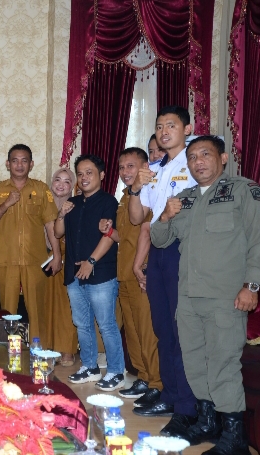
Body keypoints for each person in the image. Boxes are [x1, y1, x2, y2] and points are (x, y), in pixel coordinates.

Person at [150, 135, 257, 455]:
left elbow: (258, 240)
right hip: (188, 298)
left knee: (223, 364)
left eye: (205, 155)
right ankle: (208, 422)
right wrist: (165, 216)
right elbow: (160, 239)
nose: (198, 162)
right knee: (195, 363)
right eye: (193, 157)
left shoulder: (243, 191)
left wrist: (251, 286)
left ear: (222, 158)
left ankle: (235, 440)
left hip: (225, 297)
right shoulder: (185, 199)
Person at [128, 106, 198, 437]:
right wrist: (135, 187)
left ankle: (187, 407)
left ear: (188, 128)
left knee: (181, 328)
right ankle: (170, 396)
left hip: (182, 249)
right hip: (158, 248)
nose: (164, 131)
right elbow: (137, 217)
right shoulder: (153, 169)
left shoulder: (195, 162)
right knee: (162, 328)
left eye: (171, 125)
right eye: (159, 126)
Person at [54, 154, 125, 391]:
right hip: (74, 274)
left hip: (100, 273)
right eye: (80, 174)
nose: (84, 177)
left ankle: (116, 371)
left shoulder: (109, 202)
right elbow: (58, 232)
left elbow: (110, 236)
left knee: (106, 324)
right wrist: (61, 213)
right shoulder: (73, 203)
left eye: (89, 172)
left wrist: (91, 261)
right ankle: (90, 366)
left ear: (102, 175)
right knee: (82, 323)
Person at [0, 144, 60, 347]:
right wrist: (6, 204)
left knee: (37, 310)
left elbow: (50, 224)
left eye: (24, 160)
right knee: (7, 312)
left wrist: (57, 254)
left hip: (34, 261)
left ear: (31, 164)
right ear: (7, 164)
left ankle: (38, 352)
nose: (19, 165)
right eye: (15, 161)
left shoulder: (41, 189)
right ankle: (6, 352)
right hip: (6, 260)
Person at [102, 148, 161, 403]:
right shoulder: (125, 196)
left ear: (145, 167)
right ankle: (143, 377)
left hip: (141, 273)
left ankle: (157, 383)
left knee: (147, 331)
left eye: (131, 166)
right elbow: (125, 237)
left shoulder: (151, 192)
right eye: (121, 167)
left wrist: (142, 267)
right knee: (133, 333)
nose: (125, 172)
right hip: (124, 273)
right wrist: (109, 231)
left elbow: (148, 233)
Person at [44, 168, 78, 365]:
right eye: (58, 179)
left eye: (67, 181)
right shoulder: (43, 202)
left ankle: (67, 350)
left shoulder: (76, 205)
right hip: (44, 260)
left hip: (67, 260)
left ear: (72, 186)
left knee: (66, 307)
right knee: (47, 306)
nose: (61, 185)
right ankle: (49, 348)